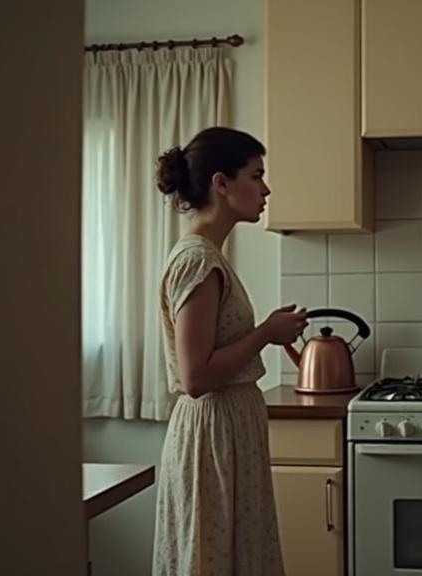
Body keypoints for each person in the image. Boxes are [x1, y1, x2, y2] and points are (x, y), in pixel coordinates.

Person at [152, 127, 306, 576]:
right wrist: (265, 333)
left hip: (226, 433)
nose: (266, 189)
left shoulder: (208, 256)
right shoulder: (198, 260)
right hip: (212, 437)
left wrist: (267, 331)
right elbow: (195, 376)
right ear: (221, 183)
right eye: (256, 176)